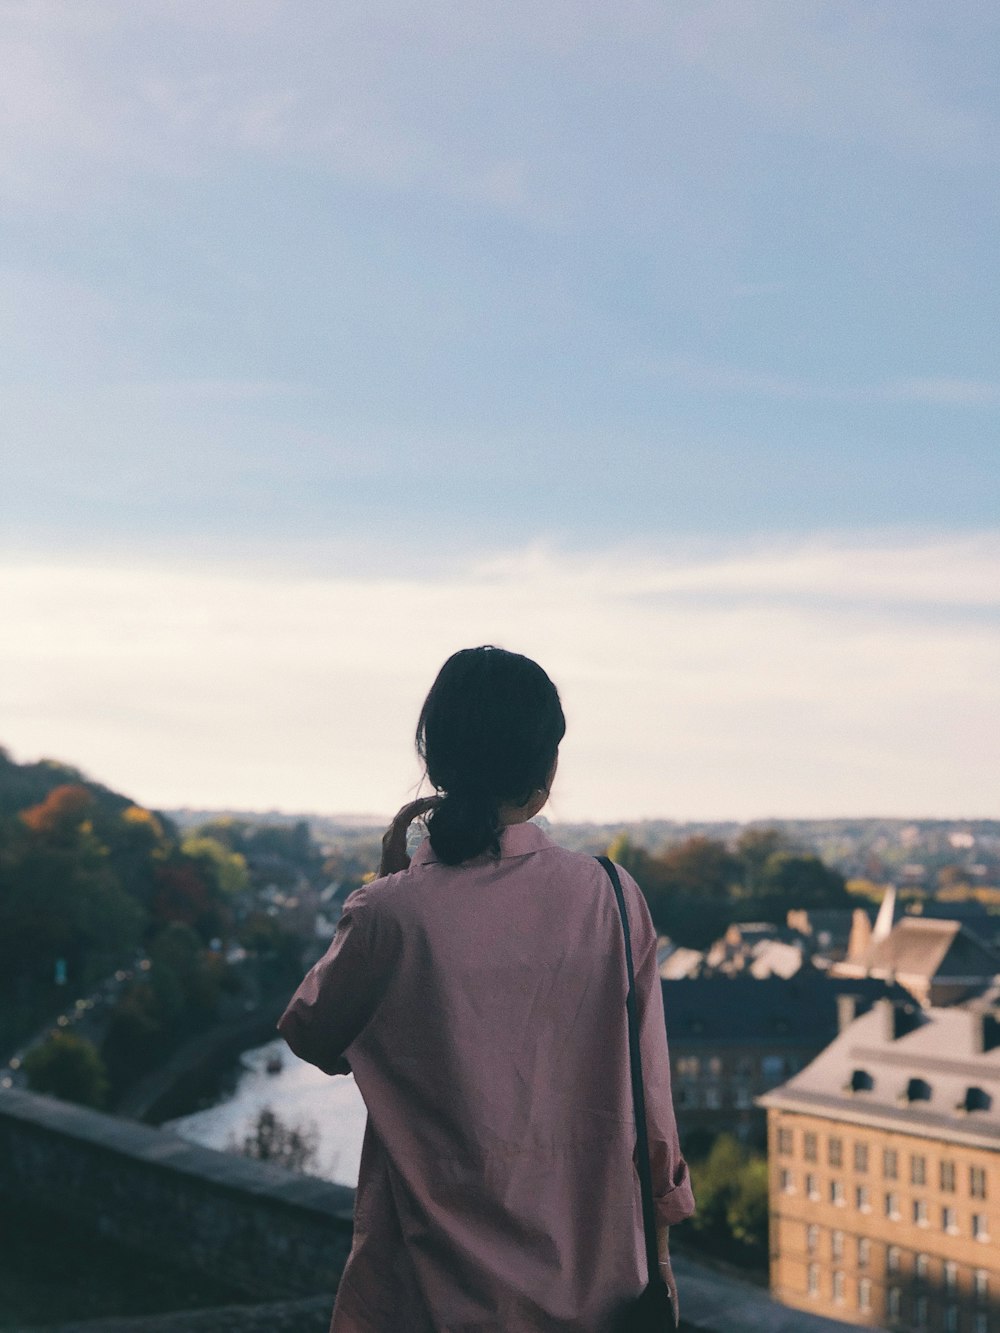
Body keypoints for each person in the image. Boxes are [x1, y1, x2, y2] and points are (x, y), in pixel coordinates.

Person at [279, 646, 694, 1331]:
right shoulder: (614, 897)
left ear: (434, 760)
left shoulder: (390, 913)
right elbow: (652, 1104)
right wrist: (665, 1255)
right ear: (546, 771)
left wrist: (390, 880)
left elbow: (311, 1033)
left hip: (431, 1293)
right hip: (597, 1289)